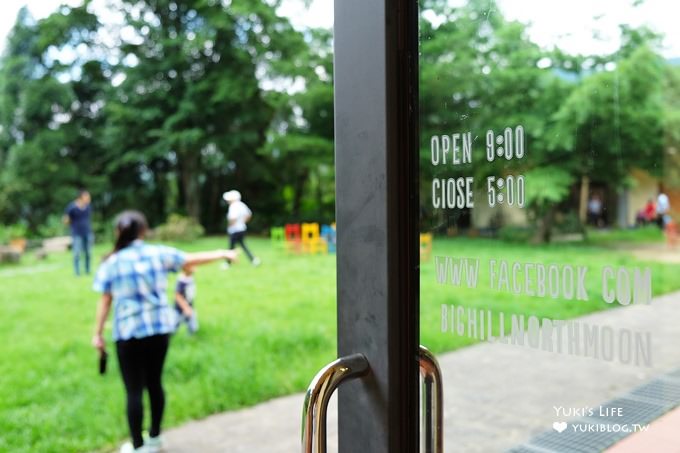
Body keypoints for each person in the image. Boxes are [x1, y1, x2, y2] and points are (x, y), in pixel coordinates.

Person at [91, 211, 238, 453]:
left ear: (119, 232)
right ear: (143, 231)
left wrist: (97, 334)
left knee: (134, 391)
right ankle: (155, 438)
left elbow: (105, 301)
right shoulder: (158, 253)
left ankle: (138, 446)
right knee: (155, 383)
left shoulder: (112, 262)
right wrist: (222, 253)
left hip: (128, 334)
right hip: (160, 330)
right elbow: (191, 259)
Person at [223, 190, 260, 267]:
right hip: (242, 228)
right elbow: (249, 214)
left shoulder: (233, 206)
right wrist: (243, 222)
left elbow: (233, 218)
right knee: (242, 245)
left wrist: (230, 226)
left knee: (231, 247)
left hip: (234, 230)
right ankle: (253, 260)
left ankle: (227, 263)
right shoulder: (242, 205)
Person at [63, 189, 93, 275]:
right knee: (77, 253)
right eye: (87, 197)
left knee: (88, 253)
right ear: (81, 197)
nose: (88, 199)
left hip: (87, 232)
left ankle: (87, 271)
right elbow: (66, 220)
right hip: (76, 233)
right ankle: (77, 272)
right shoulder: (72, 207)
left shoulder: (88, 207)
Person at [174, 266, 198, 334]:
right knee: (174, 325)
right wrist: (185, 308)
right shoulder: (182, 281)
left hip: (189, 306)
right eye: (192, 266)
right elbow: (177, 295)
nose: (195, 267)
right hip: (180, 308)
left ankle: (192, 338)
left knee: (193, 326)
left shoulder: (190, 278)